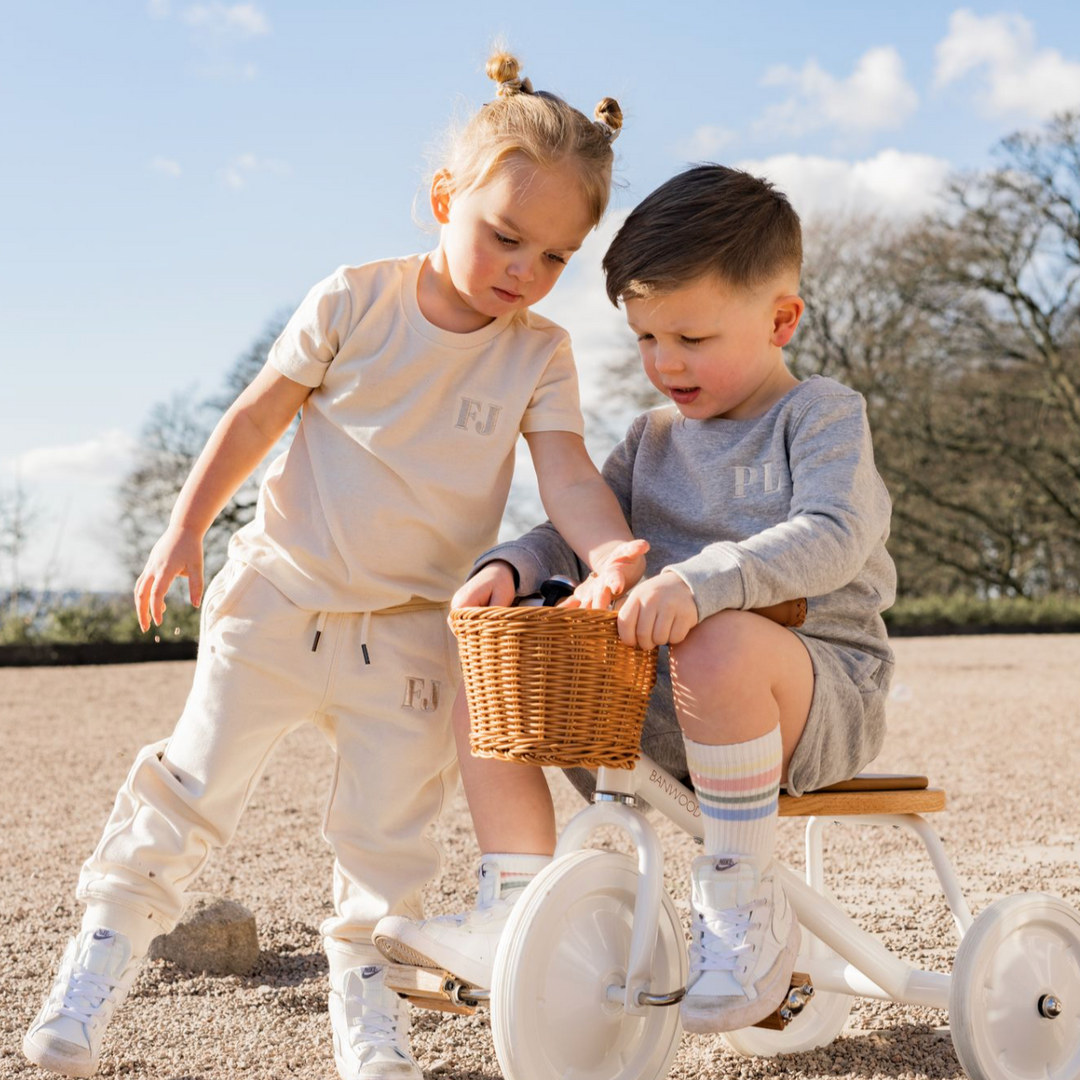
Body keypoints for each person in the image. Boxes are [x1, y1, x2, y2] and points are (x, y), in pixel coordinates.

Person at [23, 52, 645, 1080]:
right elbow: (255, 416)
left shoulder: (539, 353)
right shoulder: (354, 299)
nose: (524, 271)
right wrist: (186, 526)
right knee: (188, 790)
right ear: (443, 199)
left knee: (388, 840)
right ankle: (91, 973)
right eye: (504, 236)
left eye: (554, 256)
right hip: (279, 598)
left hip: (411, 633)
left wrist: (609, 546)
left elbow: (569, 473)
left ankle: (369, 1014)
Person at [374, 164, 897, 1035]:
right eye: (647, 337)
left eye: (691, 337)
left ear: (781, 321)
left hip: (812, 694)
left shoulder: (819, 415)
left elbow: (834, 532)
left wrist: (700, 582)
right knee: (498, 653)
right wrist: (512, 565)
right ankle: (513, 895)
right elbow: (583, 529)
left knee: (716, 641)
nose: (665, 363)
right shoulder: (651, 439)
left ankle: (741, 899)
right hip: (655, 701)